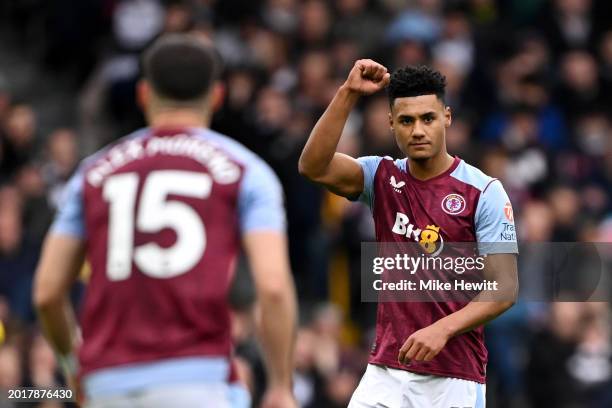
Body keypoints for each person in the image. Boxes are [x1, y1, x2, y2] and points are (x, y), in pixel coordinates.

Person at [33, 34, 297, 408]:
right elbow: (272, 286)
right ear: (217, 96)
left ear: (143, 94)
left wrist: (72, 362)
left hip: (106, 383)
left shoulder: (92, 172)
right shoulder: (246, 170)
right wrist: (280, 385)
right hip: (199, 379)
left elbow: (47, 292)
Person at [299, 60, 518, 407]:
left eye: (427, 118)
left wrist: (443, 328)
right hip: (386, 370)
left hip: (453, 375)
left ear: (446, 117)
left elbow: (504, 289)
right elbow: (312, 166)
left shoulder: (483, 191)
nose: (418, 130)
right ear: (391, 124)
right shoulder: (380, 177)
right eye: (406, 120)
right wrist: (348, 93)